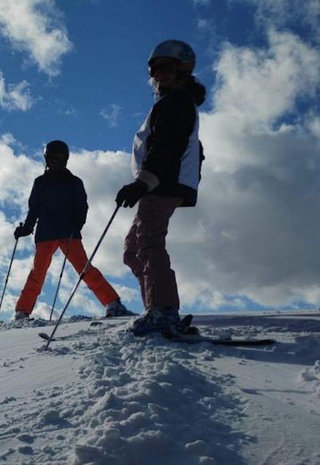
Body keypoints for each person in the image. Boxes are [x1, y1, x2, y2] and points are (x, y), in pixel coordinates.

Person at [115, 40, 206, 335]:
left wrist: (143, 183)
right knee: (133, 251)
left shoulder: (177, 103)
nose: (159, 75)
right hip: (158, 184)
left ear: (182, 69)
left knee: (149, 244)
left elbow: (167, 146)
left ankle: (163, 310)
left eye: (166, 68)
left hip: (162, 184)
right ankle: (155, 306)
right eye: (155, 70)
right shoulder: (168, 103)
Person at [14, 140, 130, 321]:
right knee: (39, 273)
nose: (57, 162)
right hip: (48, 234)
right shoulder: (42, 183)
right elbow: (34, 208)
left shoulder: (73, 182)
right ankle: (22, 311)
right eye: (54, 159)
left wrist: (77, 224)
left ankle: (112, 303)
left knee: (83, 268)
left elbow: (81, 206)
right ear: (47, 159)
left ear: (66, 160)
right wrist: (27, 228)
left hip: (66, 233)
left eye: (60, 159)